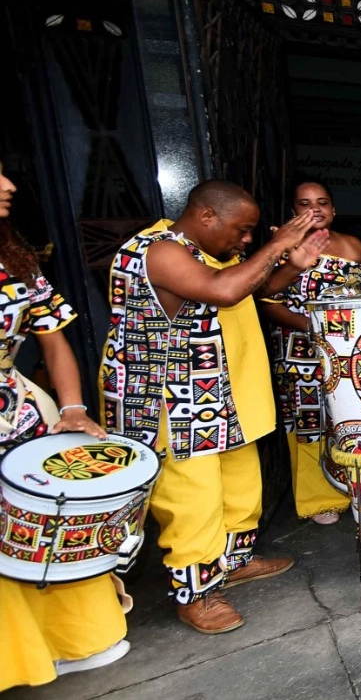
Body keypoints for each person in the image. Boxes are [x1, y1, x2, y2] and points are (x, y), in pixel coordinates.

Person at [100, 179, 328, 634]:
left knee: (240, 488)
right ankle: (195, 594)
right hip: (175, 398)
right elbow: (222, 291)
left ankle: (233, 562)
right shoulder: (159, 251)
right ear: (207, 216)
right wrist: (279, 243)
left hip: (221, 395)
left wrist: (293, 267)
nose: (246, 240)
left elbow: (248, 291)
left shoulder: (210, 253)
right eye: (242, 231)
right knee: (193, 501)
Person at [0, 163, 132, 690]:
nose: (9, 186)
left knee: (44, 532)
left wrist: (73, 407)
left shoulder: (15, 259)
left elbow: (54, 339)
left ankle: (70, 641)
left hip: (19, 416)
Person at [258, 179, 361, 525]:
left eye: (322, 202)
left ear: (334, 209)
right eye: (304, 203)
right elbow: (265, 297)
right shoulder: (281, 246)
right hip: (301, 350)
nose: (315, 209)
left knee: (351, 417)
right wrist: (311, 326)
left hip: (351, 349)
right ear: (293, 211)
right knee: (310, 421)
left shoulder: (355, 245)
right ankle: (319, 499)